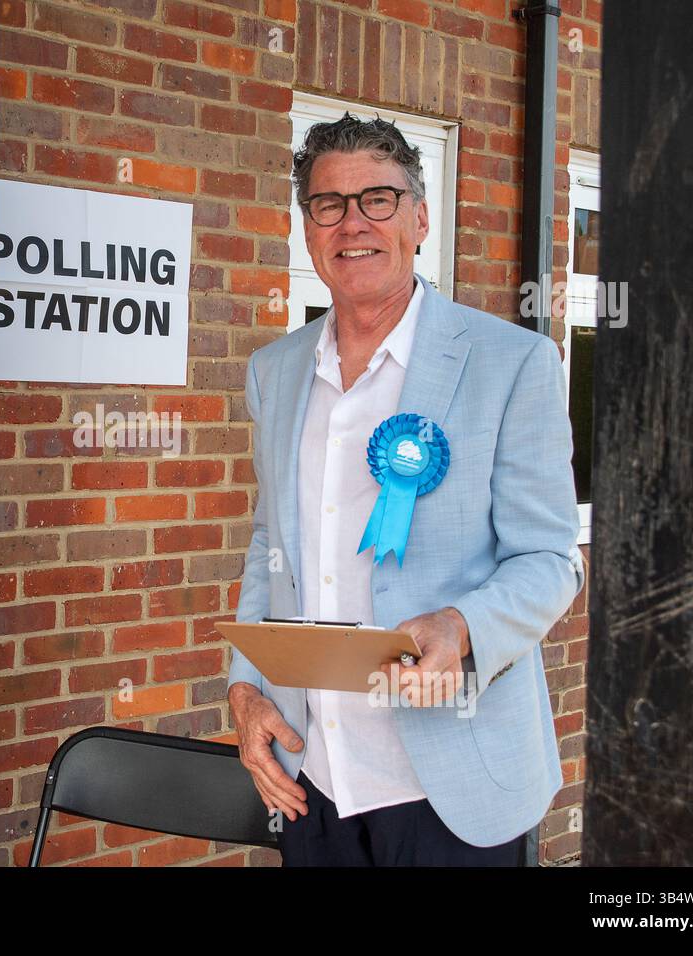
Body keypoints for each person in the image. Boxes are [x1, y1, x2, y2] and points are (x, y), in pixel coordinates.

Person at [227, 114, 585, 867]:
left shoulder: (512, 363)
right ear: (307, 227)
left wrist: (461, 627)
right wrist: (247, 687)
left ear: (421, 218)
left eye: (379, 199)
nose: (353, 222)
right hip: (315, 778)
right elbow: (271, 545)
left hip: (453, 784)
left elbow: (551, 559)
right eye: (329, 204)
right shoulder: (275, 370)